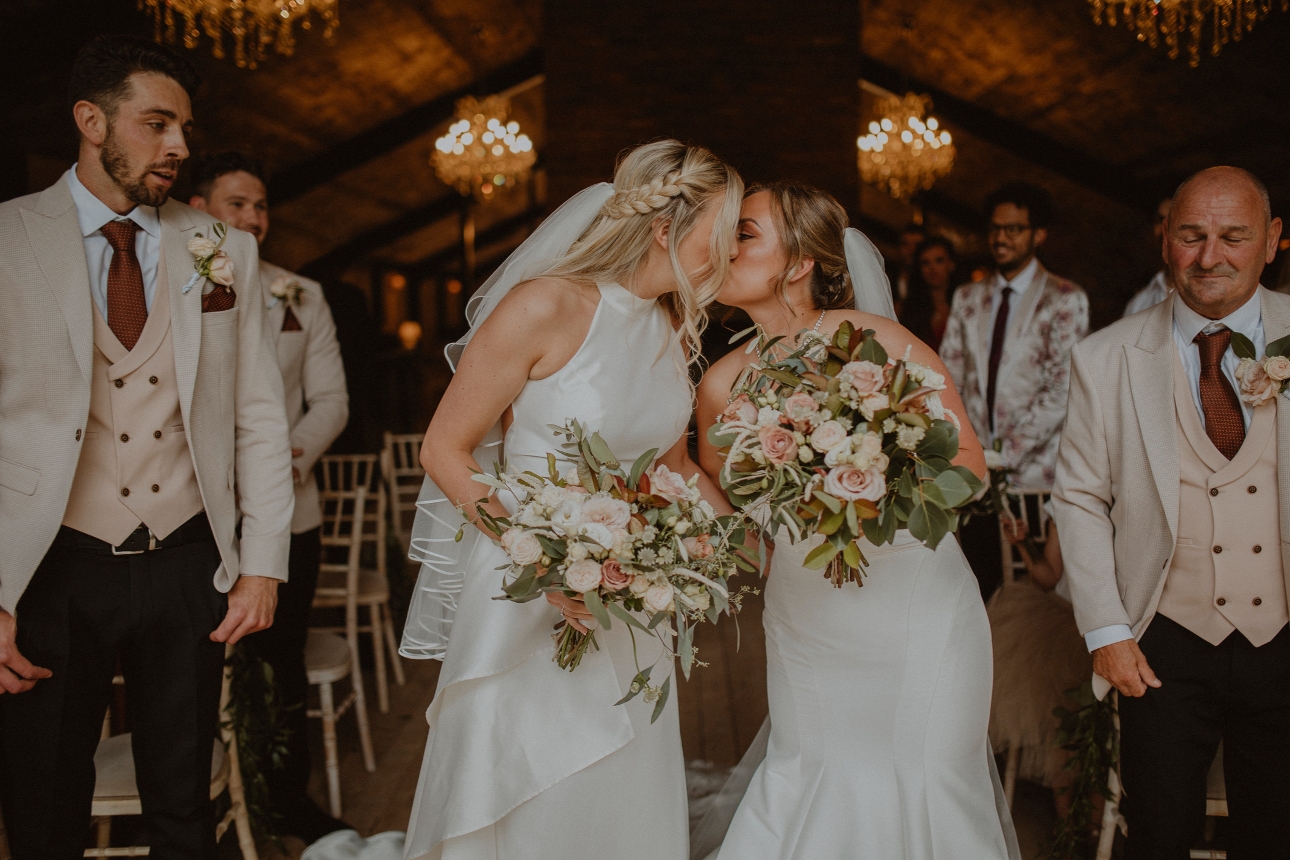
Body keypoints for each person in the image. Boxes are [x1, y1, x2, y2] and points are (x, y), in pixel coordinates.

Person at [400, 140, 743, 860]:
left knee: (616, 791)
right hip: (527, 589)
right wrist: (547, 562)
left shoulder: (671, 326)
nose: (729, 253)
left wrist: (752, 539)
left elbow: (673, 465)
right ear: (664, 230)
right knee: (529, 792)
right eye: (723, 231)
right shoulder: (546, 305)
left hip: (628, 600)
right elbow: (444, 451)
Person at [0, 35, 293, 859]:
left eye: (185, 129)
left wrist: (263, 561)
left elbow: (259, 415)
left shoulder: (224, 246)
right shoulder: (7, 239)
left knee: (183, 805)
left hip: (187, 559)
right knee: (45, 808)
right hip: (46, 565)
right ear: (90, 120)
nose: (178, 148)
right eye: (157, 124)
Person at [690, 183, 1018, 859]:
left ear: (800, 262)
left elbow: (970, 468)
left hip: (914, 605)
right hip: (809, 614)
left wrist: (861, 492)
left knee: (927, 782)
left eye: (744, 233)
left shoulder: (881, 343)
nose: (723, 248)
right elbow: (727, 499)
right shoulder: (721, 383)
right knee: (814, 775)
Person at [1054, 166, 1289, 858]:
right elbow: (1079, 496)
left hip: (1285, 636)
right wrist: (1106, 630)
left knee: (1278, 834)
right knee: (1157, 833)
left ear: (1273, 241)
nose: (1209, 256)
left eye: (1233, 236)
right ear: (1165, 240)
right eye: (1191, 235)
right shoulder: (1104, 358)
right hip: (1161, 640)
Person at [189, 151, 350, 843]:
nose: (253, 217)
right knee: (194, 669)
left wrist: (283, 460)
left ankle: (288, 800)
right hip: (193, 515)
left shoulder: (301, 293)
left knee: (280, 662)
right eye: (237, 204)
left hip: (290, 511)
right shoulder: (178, 281)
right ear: (200, 209)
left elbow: (332, 402)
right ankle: (207, 808)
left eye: (259, 206)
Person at [940, 181, 1088, 599]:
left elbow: (1063, 388)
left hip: (1033, 472)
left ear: (1038, 235)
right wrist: (966, 447)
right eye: (995, 228)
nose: (1000, 237)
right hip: (971, 467)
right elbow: (947, 375)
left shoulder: (1065, 299)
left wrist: (1004, 455)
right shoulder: (967, 297)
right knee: (980, 582)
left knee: (1033, 589)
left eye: (1014, 229)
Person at [988, 508, 1092, 818]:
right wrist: (1023, 544)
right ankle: (1067, 828)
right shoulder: (1064, 504)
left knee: (1104, 733)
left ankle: (1099, 830)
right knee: (1061, 719)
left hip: (1116, 625)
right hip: (1063, 624)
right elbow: (1048, 578)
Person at [901, 234, 957, 352]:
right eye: (925, 263)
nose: (933, 268)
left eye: (939, 261)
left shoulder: (964, 304)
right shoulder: (909, 309)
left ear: (951, 264)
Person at [1123, 196, 1174, 317]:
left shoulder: (1208, 296)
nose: (1164, 228)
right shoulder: (1141, 302)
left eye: (1173, 220)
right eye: (1159, 220)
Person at [886, 221, 926, 313]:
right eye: (905, 244)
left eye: (917, 245)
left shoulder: (930, 282)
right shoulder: (887, 277)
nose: (911, 250)